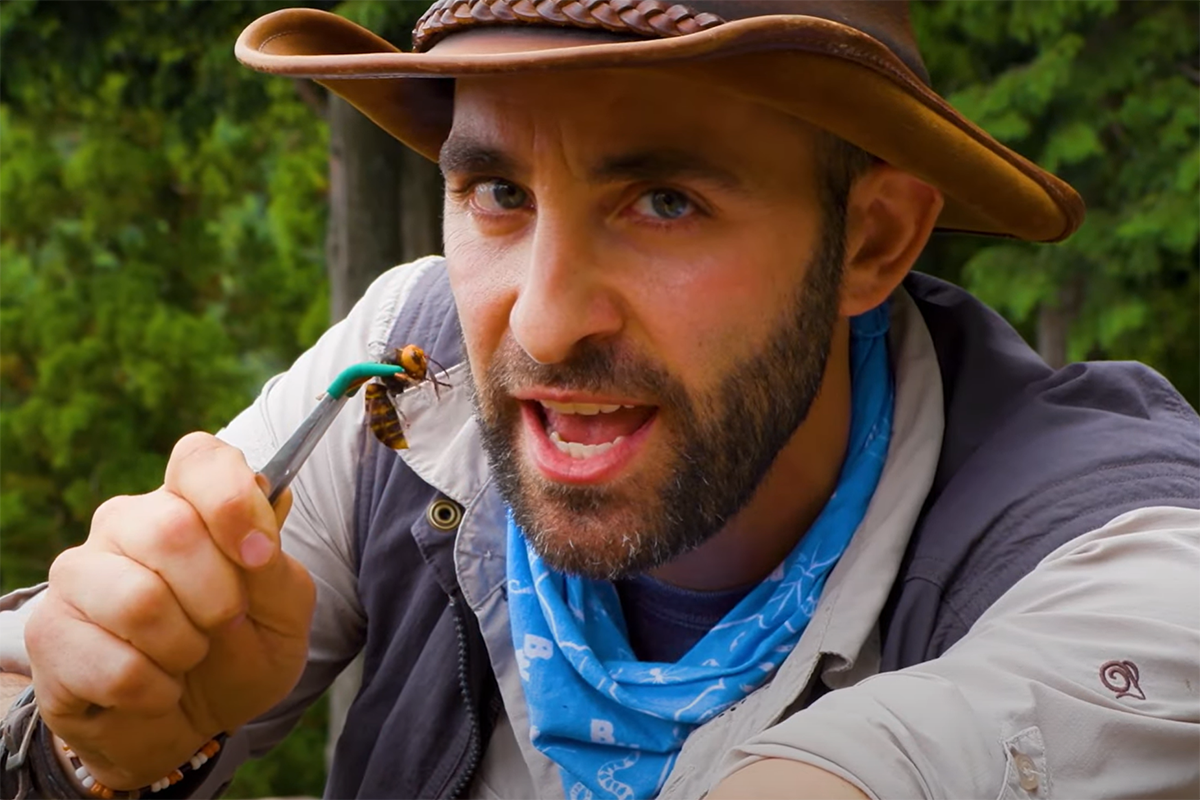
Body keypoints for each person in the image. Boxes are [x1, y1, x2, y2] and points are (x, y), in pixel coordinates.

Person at [4, 1, 1200, 799]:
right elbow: (45, 683)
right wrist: (96, 737)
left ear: (873, 241)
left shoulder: (1065, 512)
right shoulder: (407, 372)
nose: (537, 320)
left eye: (665, 200)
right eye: (497, 193)